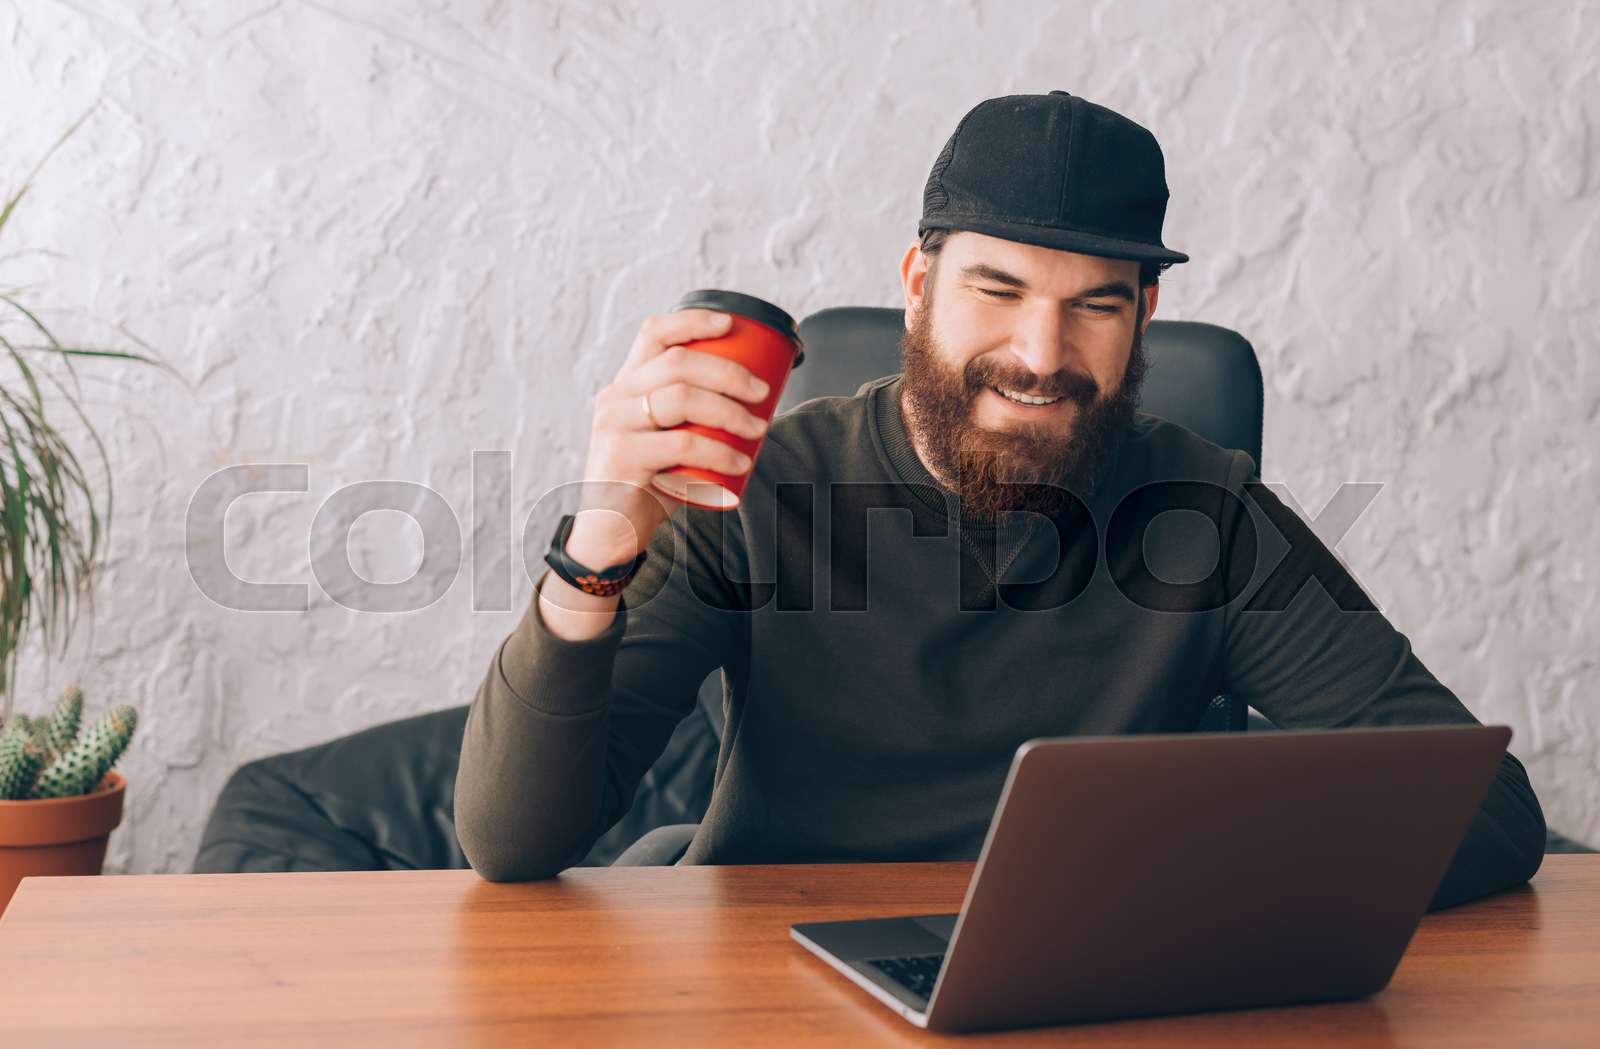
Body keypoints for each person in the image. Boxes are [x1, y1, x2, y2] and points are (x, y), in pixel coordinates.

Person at [454, 91, 1545, 909]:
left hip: (1083, 991)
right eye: (999, 290)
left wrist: (1186, 877)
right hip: (771, 979)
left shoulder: (1205, 515)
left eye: (1094, 307)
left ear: (1144, 316)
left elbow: (1490, 812)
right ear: (919, 286)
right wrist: (601, 537)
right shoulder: (763, 489)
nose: (1041, 353)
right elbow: (508, 841)